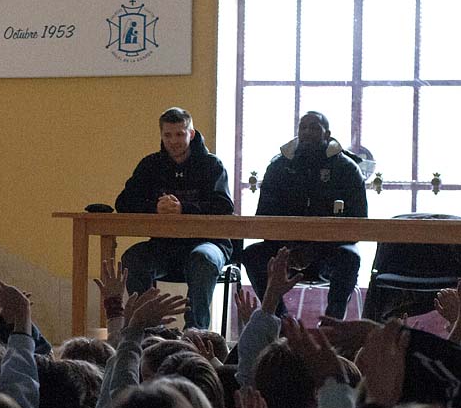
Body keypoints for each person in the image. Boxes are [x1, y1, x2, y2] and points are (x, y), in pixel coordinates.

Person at [242, 111, 368, 319]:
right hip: (285, 250)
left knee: (350, 257)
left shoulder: (346, 169)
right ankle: (280, 321)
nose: (307, 132)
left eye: (314, 127)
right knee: (252, 254)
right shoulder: (279, 166)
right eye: (303, 127)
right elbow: (264, 218)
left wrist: (315, 249)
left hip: (329, 252)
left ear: (327, 134)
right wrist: (289, 247)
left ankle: (331, 325)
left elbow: (357, 225)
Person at [116, 107, 233, 329]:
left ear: (191, 133)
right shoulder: (150, 165)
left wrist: (184, 209)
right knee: (133, 259)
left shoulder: (211, 166)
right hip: (164, 246)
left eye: (180, 134)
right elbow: (123, 203)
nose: (174, 141)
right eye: (168, 135)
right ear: (161, 136)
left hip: (208, 244)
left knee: (202, 259)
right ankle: (148, 329)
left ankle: (195, 333)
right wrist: (155, 208)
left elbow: (224, 206)